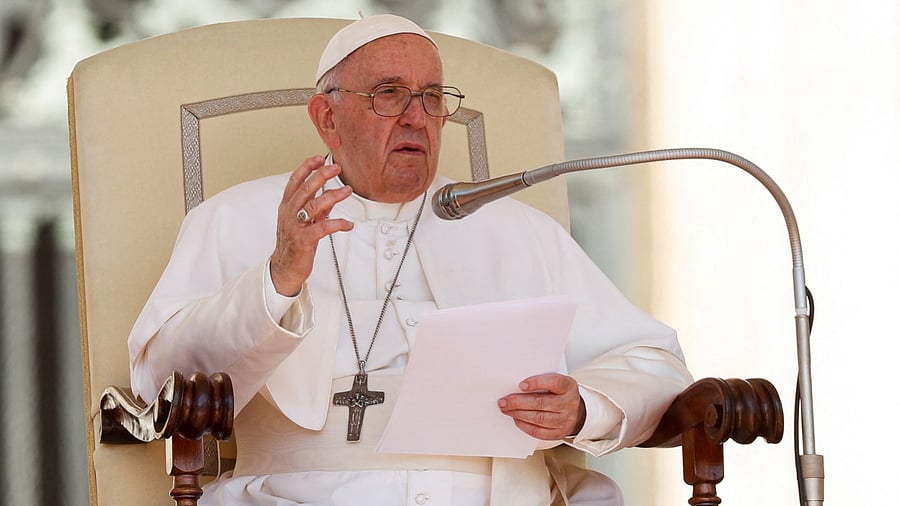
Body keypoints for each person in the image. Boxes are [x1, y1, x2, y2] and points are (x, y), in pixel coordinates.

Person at [128, 14, 692, 506]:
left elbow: (653, 360)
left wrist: (584, 409)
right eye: (389, 94)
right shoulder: (237, 219)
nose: (416, 117)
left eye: (432, 97)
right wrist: (277, 279)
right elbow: (161, 381)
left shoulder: (518, 231)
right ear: (327, 117)